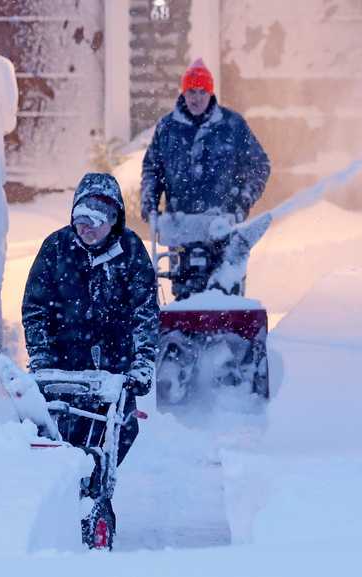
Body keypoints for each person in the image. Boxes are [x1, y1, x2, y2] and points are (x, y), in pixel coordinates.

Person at [22, 172, 158, 467]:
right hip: (62, 365)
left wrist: (143, 363)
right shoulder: (56, 248)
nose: (86, 227)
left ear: (114, 220)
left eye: (95, 220)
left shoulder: (130, 251)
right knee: (60, 436)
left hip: (114, 367)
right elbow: (35, 308)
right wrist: (41, 356)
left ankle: (95, 479)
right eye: (81, 218)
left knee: (121, 432)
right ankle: (67, 481)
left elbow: (144, 312)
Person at [141, 58, 270, 224]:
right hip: (178, 225)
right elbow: (152, 168)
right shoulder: (167, 128)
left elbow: (259, 165)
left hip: (223, 224)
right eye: (192, 92)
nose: (197, 98)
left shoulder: (232, 125)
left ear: (211, 93)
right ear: (184, 93)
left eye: (203, 92)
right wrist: (149, 205)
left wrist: (242, 201)